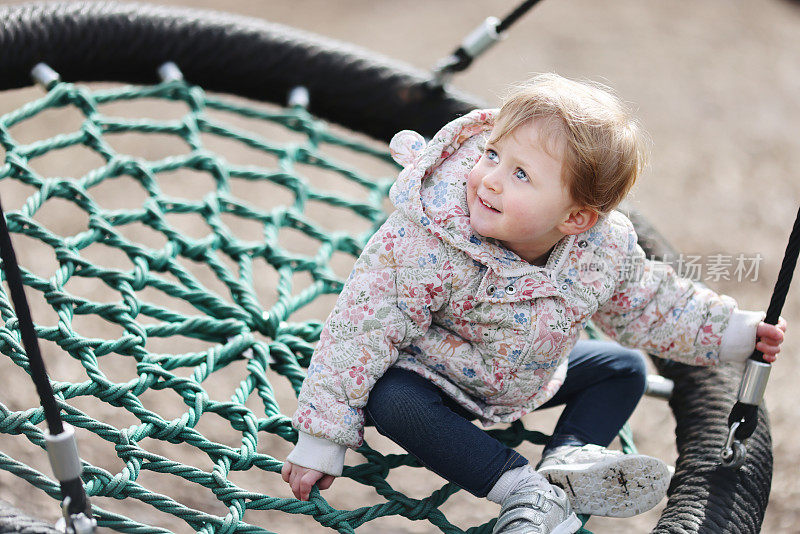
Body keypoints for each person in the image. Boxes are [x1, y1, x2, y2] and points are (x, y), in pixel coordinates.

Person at [281, 73, 787, 533]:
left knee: (624, 368)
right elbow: (360, 328)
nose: (492, 178)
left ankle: (567, 462)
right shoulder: (428, 241)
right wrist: (323, 436)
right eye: (493, 154)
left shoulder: (600, 250)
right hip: (432, 378)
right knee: (391, 399)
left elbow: (650, 303)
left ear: (575, 219)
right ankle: (521, 491)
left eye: (521, 174)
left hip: (527, 380)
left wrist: (733, 333)